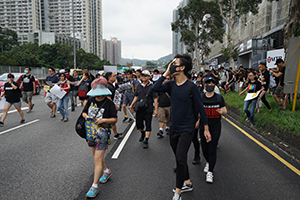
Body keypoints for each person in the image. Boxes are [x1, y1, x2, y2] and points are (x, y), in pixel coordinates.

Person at [152, 54, 211, 200]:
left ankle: (177, 192)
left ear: (182, 67)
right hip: (173, 128)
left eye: (174, 63)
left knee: (180, 159)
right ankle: (188, 182)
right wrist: (166, 73)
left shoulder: (192, 87)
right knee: (180, 159)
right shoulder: (171, 85)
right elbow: (155, 87)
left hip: (187, 129)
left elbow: (201, 108)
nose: (171, 65)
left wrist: (206, 128)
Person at [82, 78, 117, 198]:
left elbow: (114, 119)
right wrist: (87, 117)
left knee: (97, 159)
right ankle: (106, 171)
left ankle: (94, 186)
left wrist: (104, 120)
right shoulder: (90, 100)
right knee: (97, 157)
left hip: (102, 134)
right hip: (90, 133)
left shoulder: (109, 103)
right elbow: (84, 112)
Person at [199, 77, 227, 183]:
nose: (210, 84)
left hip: (215, 126)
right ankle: (208, 162)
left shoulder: (219, 98)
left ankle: (210, 172)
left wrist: (222, 111)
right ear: (204, 84)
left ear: (215, 85)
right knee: (205, 149)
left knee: (212, 148)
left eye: (212, 83)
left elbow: (225, 110)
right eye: (208, 83)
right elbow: (198, 111)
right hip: (203, 127)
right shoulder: (201, 97)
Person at [128, 70, 158, 148]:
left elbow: (155, 98)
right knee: (139, 125)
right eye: (142, 75)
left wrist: (156, 109)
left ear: (149, 77)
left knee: (148, 124)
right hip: (139, 108)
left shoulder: (152, 86)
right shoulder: (139, 86)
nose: (143, 77)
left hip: (148, 109)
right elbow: (136, 96)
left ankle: (146, 140)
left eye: (145, 75)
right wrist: (131, 104)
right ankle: (142, 133)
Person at [105, 72, 123, 139]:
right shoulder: (108, 86)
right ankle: (107, 136)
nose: (115, 77)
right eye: (114, 76)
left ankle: (115, 134)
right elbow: (109, 98)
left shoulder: (111, 85)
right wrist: (115, 106)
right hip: (109, 106)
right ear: (109, 78)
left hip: (111, 106)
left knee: (112, 121)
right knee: (110, 121)